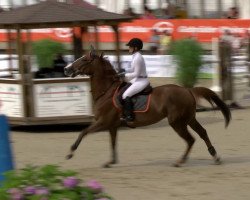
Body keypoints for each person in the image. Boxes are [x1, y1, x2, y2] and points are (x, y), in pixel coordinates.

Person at [118, 38, 149, 122]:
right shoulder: (135, 56)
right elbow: (132, 69)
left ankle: (129, 116)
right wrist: (124, 70)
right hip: (137, 80)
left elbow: (136, 74)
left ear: (135, 48)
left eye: (130, 46)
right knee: (122, 90)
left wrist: (124, 75)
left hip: (141, 81)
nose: (129, 48)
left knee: (125, 96)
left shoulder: (138, 58)